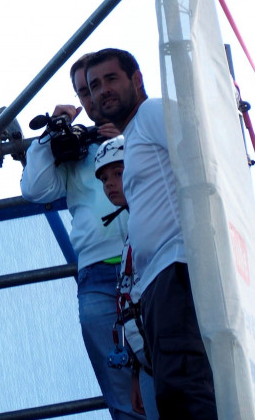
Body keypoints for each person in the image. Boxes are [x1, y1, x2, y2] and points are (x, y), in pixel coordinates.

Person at [86, 48, 218, 419]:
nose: (103, 91)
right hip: (160, 280)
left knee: (187, 387)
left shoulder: (153, 113)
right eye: (95, 85)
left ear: (136, 79)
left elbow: (198, 151)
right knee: (176, 391)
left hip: (178, 265)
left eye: (111, 79)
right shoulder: (136, 135)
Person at [20, 53, 142, 419]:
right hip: (98, 277)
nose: (93, 97)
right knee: (120, 385)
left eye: (99, 86)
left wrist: (125, 139)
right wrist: (53, 129)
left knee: (170, 372)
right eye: (84, 91)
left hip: (148, 259)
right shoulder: (74, 147)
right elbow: (35, 189)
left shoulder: (144, 127)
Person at [93, 136, 158, 419]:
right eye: (104, 178)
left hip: (173, 356)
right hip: (146, 366)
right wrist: (135, 373)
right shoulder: (131, 234)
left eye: (118, 173)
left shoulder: (160, 218)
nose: (109, 183)